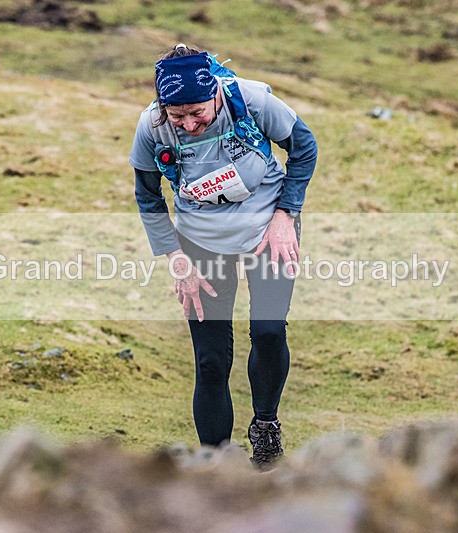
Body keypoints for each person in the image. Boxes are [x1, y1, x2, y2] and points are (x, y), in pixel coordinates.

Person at [129, 44, 317, 469]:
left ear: (215, 91)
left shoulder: (252, 101)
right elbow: (148, 196)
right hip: (200, 240)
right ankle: (216, 465)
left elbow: (304, 148)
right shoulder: (151, 126)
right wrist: (177, 260)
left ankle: (265, 429)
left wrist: (287, 214)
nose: (189, 124)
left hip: (268, 226)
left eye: (198, 112)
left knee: (269, 332)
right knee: (211, 360)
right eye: (178, 117)